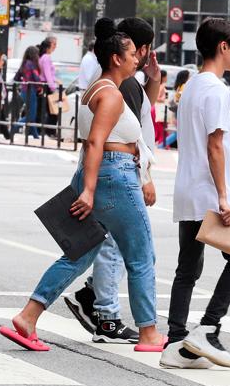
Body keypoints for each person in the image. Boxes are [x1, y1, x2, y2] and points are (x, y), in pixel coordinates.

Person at [0, 19, 165, 351]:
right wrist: (88, 190)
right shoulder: (112, 96)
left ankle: (28, 316)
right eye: (132, 54)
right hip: (115, 177)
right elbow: (95, 143)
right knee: (141, 255)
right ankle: (149, 333)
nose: (137, 59)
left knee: (79, 253)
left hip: (103, 174)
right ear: (116, 58)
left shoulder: (96, 88)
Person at [62, 17, 162, 343]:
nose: (140, 56)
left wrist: (155, 82)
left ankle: (87, 301)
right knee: (118, 249)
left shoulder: (121, 82)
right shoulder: (121, 86)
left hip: (109, 170)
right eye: (138, 50)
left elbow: (137, 121)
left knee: (96, 247)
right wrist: (144, 177)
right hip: (118, 171)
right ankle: (108, 316)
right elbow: (127, 139)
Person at [162, 18, 230, 370]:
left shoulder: (192, 87)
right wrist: (224, 195)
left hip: (189, 189)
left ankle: (175, 341)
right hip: (206, 193)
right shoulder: (216, 89)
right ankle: (209, 329)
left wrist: (229, 188)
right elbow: (215, 145)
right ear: (223, 47)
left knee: (188, 268)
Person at [15, 46, 45, 138]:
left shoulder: (24, 63)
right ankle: (14, 127)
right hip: (30, 91)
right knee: (31, 115)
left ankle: (35, 135)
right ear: (34, 55)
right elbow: (36, 78)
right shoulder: (31, 64)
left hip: (24, 91)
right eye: (37, 54)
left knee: (31, 114)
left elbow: (16, 78)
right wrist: (41, 87)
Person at [39, 37, 60, 134]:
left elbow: (49, 75)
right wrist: (53, 88)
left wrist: (56, 81)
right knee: (53, 111)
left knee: (50, 110)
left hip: (47, 86)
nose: (56, 46)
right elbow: (47, 74)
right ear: (49, 45)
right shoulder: (46, 57)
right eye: (54, 44)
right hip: (47, 87)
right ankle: (49, 132)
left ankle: (48, 132)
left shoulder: (44, 57)